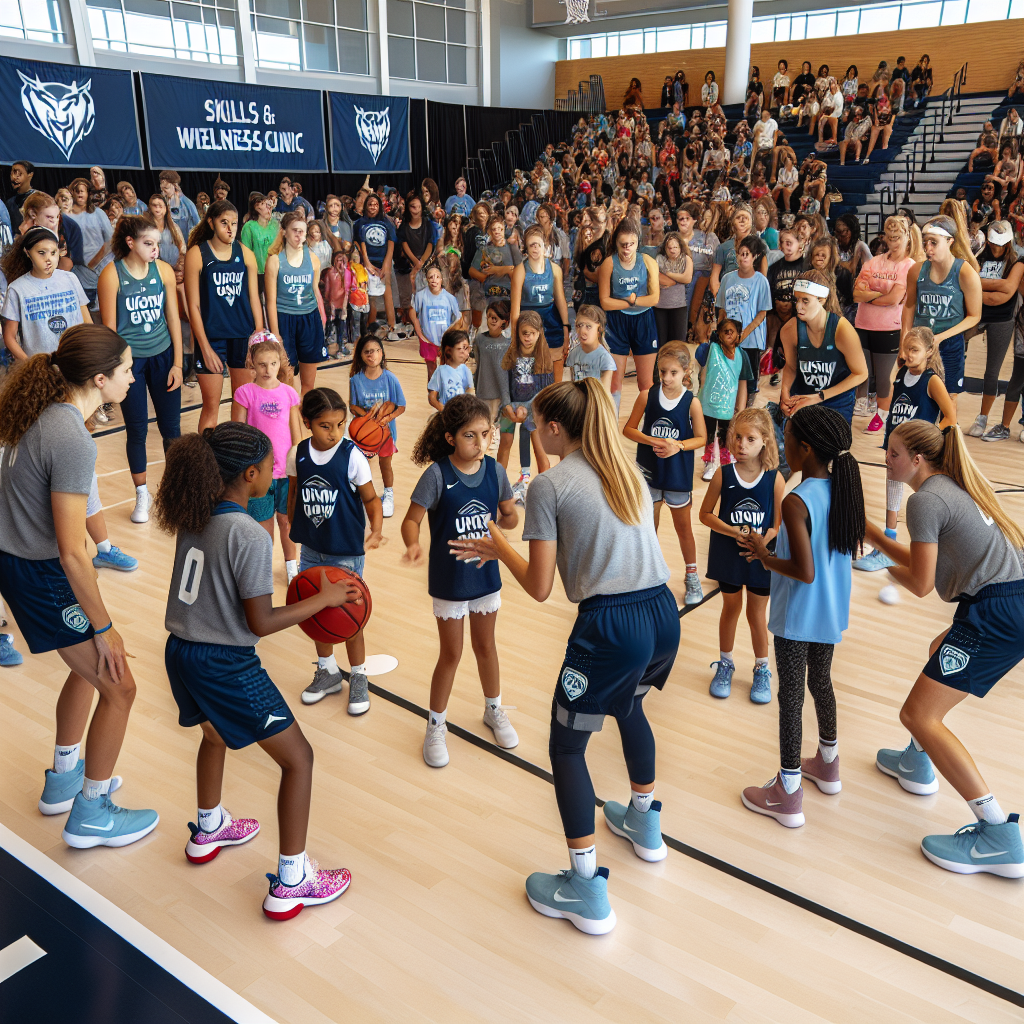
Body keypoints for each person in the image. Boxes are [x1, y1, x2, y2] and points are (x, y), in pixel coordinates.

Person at [450, 378, 679, 934]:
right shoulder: (627, 468)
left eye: (534, 421)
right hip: (662, 613)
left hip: (612, 627)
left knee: (566, 747)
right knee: (628, 707)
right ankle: (645, 824)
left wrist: (496, 544)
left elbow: (539, 585)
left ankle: (585, 887)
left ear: (555, 428)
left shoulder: (552, 487)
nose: (529, 427)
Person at [154, 422, 354, 914]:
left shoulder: (194, 515)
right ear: (250, 475)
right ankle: (292, 880)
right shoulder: (248, 532)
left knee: (214, 736)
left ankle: (209, 827)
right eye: (270, 465)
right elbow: (261, 621)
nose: (275, 470)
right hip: (223, 662)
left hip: (180, 650)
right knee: (298, 759)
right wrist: (324, 599)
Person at [0, 326, 159, 846]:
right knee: (119, 682)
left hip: (19, 562)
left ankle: (64, 776)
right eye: (127, 370)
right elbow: (72, 551)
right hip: (40, 572)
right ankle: (92, 811)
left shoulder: (36, 414)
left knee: (88, 671)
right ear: (99, 378)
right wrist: (105, 626)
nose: (133, 377)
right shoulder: (69, 435)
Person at [866, 421, 1024, 876]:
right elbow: (926, 566)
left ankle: (998, 833)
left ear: (918, 459)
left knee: (919, 714)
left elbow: (918, 582)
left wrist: (872, 551)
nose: (886, 458)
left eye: (893, 452)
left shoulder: (924, 500)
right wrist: (878, 542)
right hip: (1002, 600)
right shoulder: (951, 486)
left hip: (997, 613)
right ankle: (918, 760)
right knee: (940, 646)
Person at [738, 406, 863, 826]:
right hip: (830, 610)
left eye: (787, 436)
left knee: (790, 694)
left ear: (804, 448)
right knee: (820, 681)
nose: (783, 443)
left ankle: (788, 790)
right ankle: (828, 763)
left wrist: (765, 556)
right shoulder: (842, 488)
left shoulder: (796, 499)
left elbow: (804, 571)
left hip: (798, 615)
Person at [401, 395, 519, 767]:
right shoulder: (437, 475)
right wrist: (413, 544)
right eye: (471, 435)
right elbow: (411, 519)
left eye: (486, 434)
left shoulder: (497, 473)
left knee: (487, 647)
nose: (481, 443)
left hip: (486, 576)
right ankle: (436, 725)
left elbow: (508, 519)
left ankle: (494, 709)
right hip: (450, 579)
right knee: (451, 654)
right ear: (451, 437)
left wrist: (511, 516)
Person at [287, 387, 383, 710]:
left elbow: (371, 498)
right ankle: (327, 671)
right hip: (312, 549)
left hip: (345, 551)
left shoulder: (352, 456)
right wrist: (290, 525)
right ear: (307, 423)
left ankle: (358, 675)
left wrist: (377, 529)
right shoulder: (297, 453)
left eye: (340, 424)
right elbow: (294, 493)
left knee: (350, 614)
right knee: (317, 611)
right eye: (325, 426)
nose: (334, 433)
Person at [98, 216, 183, 525]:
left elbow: (173, 318)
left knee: (171, 429)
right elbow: (110, 330)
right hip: (129, 363)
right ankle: (142, 494)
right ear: (131, 243)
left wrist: (177, 362)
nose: (155, 250)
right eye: (149, 243)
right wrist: (119, 369)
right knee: (137, 429)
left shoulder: (163, 271)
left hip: (163, 357)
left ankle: (176, 493)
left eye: (157, 244)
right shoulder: (111, 275)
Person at [855, 327, 956, 578]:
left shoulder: (931, 380)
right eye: (905, 349)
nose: (908, 354)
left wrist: (931, 438)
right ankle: (889, 546)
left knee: (926, 499)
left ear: (929, 351)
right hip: (897, 447)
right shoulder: (900, 374)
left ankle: (938, 548)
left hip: (918, 453)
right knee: (893, 491)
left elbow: (951, 416)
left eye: (914, 350)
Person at [700, 407, 784, 702]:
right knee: (731, 609)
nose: (741, 445)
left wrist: (763, 541)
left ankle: (762, 669)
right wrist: (735, 533)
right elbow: (705, 515)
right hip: (728, 556)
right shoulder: (723, 475)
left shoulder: (775, 479)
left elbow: (779, 524)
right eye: (737, 437)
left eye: (750, 439)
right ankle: (725, 663)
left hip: (760, 560)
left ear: (765, 441)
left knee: (756, 614)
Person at [624, 341, 706, 606]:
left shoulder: (691, 402)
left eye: (673, 372)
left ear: (686, 371)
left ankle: (691, 575)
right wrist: (653, 441)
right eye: (662, 373)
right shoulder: (648, 395)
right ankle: (650, 575)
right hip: (649, 472)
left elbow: (702, 438)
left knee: (684, 529)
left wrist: (677, 446)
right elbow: (629, 430)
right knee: (649, 527)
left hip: (677, 474)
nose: (667, 378)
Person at [185, 201, 263, 431]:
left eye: (234, 223)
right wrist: (205, 347)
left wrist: (257, 337)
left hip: (242, 336)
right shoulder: (197, 255)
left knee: (242, 404)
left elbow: (254, 299)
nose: (230, 229)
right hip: (212, 338)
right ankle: (207, 463)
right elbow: (193, 307)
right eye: (224, 223)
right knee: (211, 406)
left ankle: (236, 458)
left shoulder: (246, 254)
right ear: (211, 223)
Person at [231, 333, 302, 582]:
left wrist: (300, 464)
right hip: (257, 473)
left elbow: (297, 434)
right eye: (262, 364)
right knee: (262, 524)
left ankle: (292, 566)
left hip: (285, 471)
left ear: (279, 362)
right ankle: (261, 567)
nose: (267, 369)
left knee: (286, 520)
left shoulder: (289, 394)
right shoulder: (244, 393)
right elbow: (237, 433)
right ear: (252, 363)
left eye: (272, 363)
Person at [902, 215, 982, 405]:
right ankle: (922, 434)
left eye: (934, 243)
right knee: (917, 394)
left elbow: (974, 316)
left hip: (949, 343)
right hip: (920, 342)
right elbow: (909, 305)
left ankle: (947, 435)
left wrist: (941, 337)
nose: (928, 249)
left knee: (948, 398)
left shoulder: (964, 272)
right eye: (925, 243)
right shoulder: (917, 270)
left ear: (949, 241)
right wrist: (904, 340)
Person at [852, 215, 916, 434]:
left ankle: (882, 415)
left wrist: (869, 295)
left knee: (883, 377)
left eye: (897, 237)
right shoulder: (875, 261)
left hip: (889, 327)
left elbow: (894, 299)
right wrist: (880, 295)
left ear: (907, 236)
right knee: (863, 371)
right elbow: (856, 293)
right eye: (890, 237)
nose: (893, 242)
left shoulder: (909, 266)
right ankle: (866, 405)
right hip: (863, 324)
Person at [780, 271, 869, 424]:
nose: (798, 306)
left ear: (821, 300)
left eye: (805, 301)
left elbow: (861, 373)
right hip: (803, 399)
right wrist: (784, 393)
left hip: (837, 402)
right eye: (797, 300)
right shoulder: (789, 330)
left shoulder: (842, 330)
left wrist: (820, 396)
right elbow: (791, 366)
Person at [966, 223, 1023, 438]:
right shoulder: (979, 254)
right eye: (993, 244)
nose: (997, 249)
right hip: (976, 314)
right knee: (954, 350)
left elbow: (1007, 291)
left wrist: (980, 285)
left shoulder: (1015, 260)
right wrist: (995, 285)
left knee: (992, 372)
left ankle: (982, 417)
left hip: (1003, 318)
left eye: (1001, 245)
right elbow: (968, 282)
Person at [598, 217, 661, 410]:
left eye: (631, 244)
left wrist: (633, 301)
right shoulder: (609, 264)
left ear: (637, 243)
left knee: (645, 383)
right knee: (615, 382)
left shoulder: (648, 262)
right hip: (617, 322)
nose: (627, 249)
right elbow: (605, 303)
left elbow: (654, 299)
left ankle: (649, 427)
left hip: (644, 320)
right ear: (616, 243)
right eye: (623, 245)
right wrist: (629, 300)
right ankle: (611, 429)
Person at [1, 227, 90, 360]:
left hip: (76, 361)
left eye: (53, 253)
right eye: (41, 253)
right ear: (27, 252)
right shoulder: (17, 289)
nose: (49, 259)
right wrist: (30, 364)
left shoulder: (71, 278)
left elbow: (87, 322)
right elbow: (9, 336)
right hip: (41, 367)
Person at [265, 210, 327, 396]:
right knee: (286, 380)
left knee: (308, 383)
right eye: (295, 230)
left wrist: (322, 318)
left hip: (309, 319)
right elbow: (270, 302)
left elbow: (315, 291)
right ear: (284, 231)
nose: (299, 235)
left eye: (302, 231)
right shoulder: (275, 261)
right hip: (285, 320)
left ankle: (303, 420)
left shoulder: (313, 259)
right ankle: (288, 421)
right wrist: (276, 334)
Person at [497, 310, 554, 503]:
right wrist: (507, 405)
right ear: (518, 333)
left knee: (538, 447)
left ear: (539, 334)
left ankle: (543, 490)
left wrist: (527, 409)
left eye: (532, 333)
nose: (528, 337)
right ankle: (498, 487)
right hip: (511, 410)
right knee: (504, 443)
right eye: (524, 333)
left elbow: (545, 391)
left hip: (533, 411)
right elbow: (504, 383)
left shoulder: (545, 358)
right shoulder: (510, 354)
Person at [348, 333, 406, 519]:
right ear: (361, 356)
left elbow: (401, 406)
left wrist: (386, 419)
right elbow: (352, 405)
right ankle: (362, 494)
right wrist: (366, 418)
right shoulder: (355, 380)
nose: (372, 355)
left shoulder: (391, 379)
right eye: (367, 352)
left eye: (375, 351)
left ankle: (388, 493)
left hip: (386, 433)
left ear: (382, 353)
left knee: (385, 464)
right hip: (364, 432)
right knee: (360, 464)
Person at [511, 225, 570, 384]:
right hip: (528, 321)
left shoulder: (555, 269)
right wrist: (514, 339)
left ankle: (555, 402)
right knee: (531, 374)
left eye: (538, 244)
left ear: (545, 246)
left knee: (555, 370)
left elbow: (561, 301)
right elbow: (515, 310)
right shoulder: (520, 270)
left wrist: (566, 328)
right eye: (531, 245)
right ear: (526, 248)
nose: (535, 248)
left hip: (551, 321)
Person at [715, 235, 772, 400]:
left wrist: (743, 334)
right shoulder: (727, 278)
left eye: (747, 254)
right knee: (729, 379)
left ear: (755, 257)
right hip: (728, 339)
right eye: (740, 253)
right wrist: (722, 333)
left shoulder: (761, 281)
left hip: (751, 341)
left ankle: (746, 413)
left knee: (749, 382)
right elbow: (722, 310)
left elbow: (762, 313)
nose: (743, 257)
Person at [697, 318, 755, 481]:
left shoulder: (742, 355)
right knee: (708, 433)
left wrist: (741, 409)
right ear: (719, 334)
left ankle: (725, 463)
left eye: (732, 331)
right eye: (725, 331)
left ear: (739, 334)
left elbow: (742, 383)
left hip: (728, 406)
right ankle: (709, 461)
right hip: (707, 404)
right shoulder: (710, 349)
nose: (729, 334)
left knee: (726, 435)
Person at [354, 194, 397, 331]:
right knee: (371, 295)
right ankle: (370, 327)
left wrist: (387, 263)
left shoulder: (386, 222)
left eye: (376, 204)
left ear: (380, 207)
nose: (373, 207)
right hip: (368, 263)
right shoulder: (360, 223)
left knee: (387, 292)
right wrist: (366, 262)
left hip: (383, 261)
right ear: (366, 206)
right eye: (370, 204)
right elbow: (358, 242)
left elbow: (391, 242)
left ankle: (392, 326)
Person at [411, 264, 462, 379]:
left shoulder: (450, 298)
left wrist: (450, 334)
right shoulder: (420, 296)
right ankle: (432, 396)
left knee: (446, 369)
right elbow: (413, 314)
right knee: (431, 369)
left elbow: (458, 319)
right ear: (427, 280)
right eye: (431, 277)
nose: (434, 279)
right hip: (428, 339)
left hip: (445, 340)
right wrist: (419, 332)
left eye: (437, 276)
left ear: (441, 279)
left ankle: (445, 395)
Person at [395, 193, 434, 327]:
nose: (416, 210)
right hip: (408, 265)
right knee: (410, 297)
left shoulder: (428, 225)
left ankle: (425, 323)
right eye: (413, 206)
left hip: (426, 264)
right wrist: (414, 262)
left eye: (418, 206)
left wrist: (422, 262)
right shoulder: (404, 228)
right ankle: (412, 324)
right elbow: (403, 244)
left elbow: (430, 243)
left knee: (426, 294)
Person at [653, 232, 692, 348]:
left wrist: (668, 274)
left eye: (675, 247)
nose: (672, 250)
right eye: (669, 247)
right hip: (660, 307)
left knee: (678, 342)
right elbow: (657, 277)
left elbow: (687, 278)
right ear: (665, 248)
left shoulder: (686, 259)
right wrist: (677, 279)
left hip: (679, 306)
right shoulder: (659, 259)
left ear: (680, 247)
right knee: (661, 341)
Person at [566, 303, 615, 390]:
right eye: (580, 325)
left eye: (588, 326)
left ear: (599, 329)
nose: (582, 331)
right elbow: (571, 384)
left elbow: (605, 392)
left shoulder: (604, 358)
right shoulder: (573, 354)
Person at [240, 193, 279, 296]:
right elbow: (246, 252)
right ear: (256, 207)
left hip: (276, 271)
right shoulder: (249, 227)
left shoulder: (275, 225)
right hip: (258, 274)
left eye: (269, 205)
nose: (269, 207)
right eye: (265, 204)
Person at [158, 171, 199, 242]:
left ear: (175, 186)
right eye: (162, 189)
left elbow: (197, 222)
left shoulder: (186, 203)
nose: (164, 192)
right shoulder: (161, 203)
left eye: (166, 188)